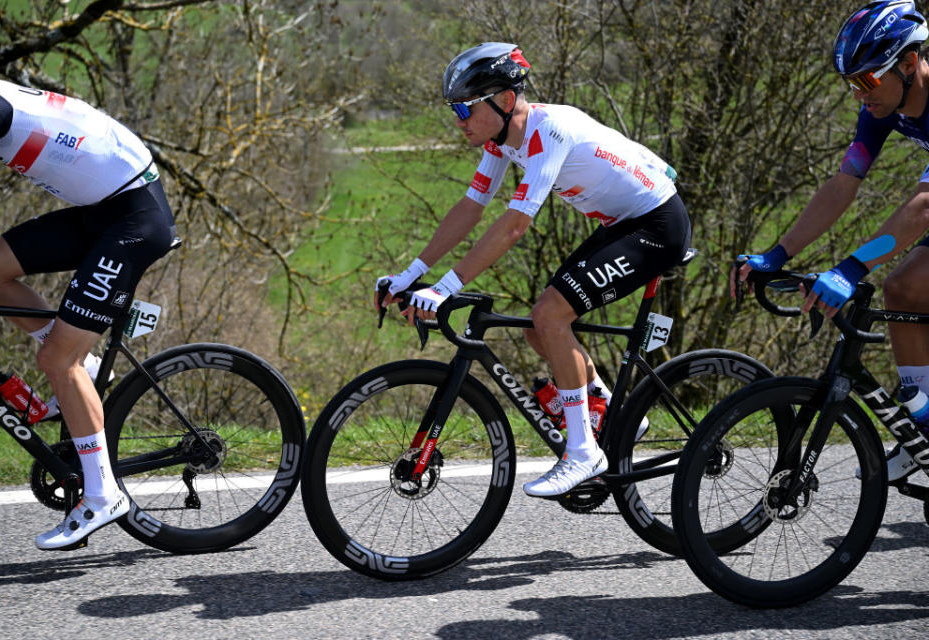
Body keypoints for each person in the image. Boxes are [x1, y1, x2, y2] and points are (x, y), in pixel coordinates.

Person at [375, 43, 690, 497]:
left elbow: (514, 227)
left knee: (550, 315)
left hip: (657, 225)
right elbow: (470, 207)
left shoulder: (548, 132)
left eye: (464, 108)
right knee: (538, 329)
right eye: (453, 110)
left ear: (504, 100)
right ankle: (615, 413)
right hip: (623, 223)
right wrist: (410, 274)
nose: (458, 120)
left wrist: (445, 288)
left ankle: (583, 453)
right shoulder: (501, 140)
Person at [0, 78, 177, 549]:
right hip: (99, 212)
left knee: (56, 361)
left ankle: (103, 495)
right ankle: (79, 371)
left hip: (133, 220)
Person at [735, 0, 929, 481]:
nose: (859, 94)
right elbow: (844, 183)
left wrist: (851, 267)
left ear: (908, 63)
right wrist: (777, 254)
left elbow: (924, 207)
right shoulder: (884, 106)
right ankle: (924, 431)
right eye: (851, 83)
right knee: (902, 291)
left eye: (866, 79)